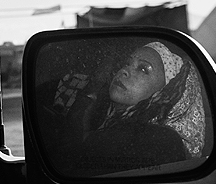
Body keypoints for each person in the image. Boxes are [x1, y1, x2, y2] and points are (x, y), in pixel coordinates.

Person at [48, 41, 205, 174]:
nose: (124, 71)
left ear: (166, 92)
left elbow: (72, 160)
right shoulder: (103, 115)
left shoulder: (162, 140)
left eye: (143, 69)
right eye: (127, 63)